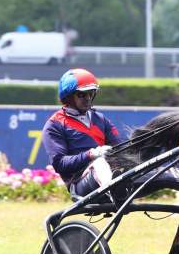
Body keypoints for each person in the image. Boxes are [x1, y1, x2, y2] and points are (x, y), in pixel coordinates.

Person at [42, 68, 124, 197]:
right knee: (99, 163)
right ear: (68, 97)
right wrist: (91, 154)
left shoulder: (100, 119)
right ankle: (116, 193)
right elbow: (60, 164)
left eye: (91, 93)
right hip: (80, 183)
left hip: (109, 172)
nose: (88, 99)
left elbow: (120, 148)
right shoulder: (54, 125)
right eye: (82, 94)